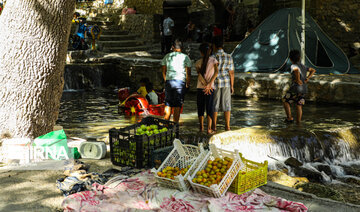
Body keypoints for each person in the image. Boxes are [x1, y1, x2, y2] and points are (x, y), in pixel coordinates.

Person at [161, 39, 192, 123]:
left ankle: (166, 125)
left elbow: (163, 71)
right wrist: (187, 84)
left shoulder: (167, 56)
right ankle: (175, 125)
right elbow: (188, 73)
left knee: (168, 103)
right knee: (177, 105)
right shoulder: (185, 57)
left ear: (173, 47)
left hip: (169, 82)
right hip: (180, 82)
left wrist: (166, 81)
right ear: (181, 48)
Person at [283, 50, 316, 124]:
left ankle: (289, 118)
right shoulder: (304, 66)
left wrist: (297, 79)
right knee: (299, 105)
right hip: (303, 89)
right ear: (299, 58)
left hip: (295, 88)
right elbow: (313, 70)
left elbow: (296, 70)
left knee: (286, 101)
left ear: (290, 59)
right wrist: (308, 78)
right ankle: (298, 122)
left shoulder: (293, 65)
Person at [212, 36, 234, 132]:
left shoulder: (212, 57)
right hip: (226, 83)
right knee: (227, 105)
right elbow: (231, 73)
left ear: (214, 46)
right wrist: (232, 86)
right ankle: (227, 126)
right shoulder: (229, 56)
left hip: (215, 83)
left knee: (215, 105)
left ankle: (214, 126)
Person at [196, 43, 219, 134]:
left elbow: (199, 76)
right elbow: (216, 73)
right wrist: (209, 84)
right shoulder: (214, 61)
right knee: (209, 108)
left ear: (201, 53)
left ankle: (201, 127)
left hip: (200, 88)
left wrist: (205, 84)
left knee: (200, 107)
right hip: (210, 88)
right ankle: (209, 129)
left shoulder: (198, 62)